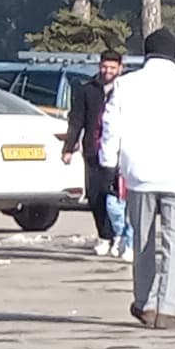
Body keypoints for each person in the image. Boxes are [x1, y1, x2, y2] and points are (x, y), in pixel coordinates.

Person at [99, 31, 175, 329]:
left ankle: (145, 304)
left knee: (142, 241)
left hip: (139, 176)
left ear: (146, 52)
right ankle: (167, 310)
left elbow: (111, 128)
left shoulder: (125, 85)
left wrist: (108, 166)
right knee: (174, 245)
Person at [70, 52, 124, 258]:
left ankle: (120, 235)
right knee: (95, 196)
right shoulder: (87, 90)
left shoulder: (126, 90)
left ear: (120, 68)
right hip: (93, 150)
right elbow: (77, 120)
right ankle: (104, 235)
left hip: (120, 152)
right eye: (104, 67)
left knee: (118, 197)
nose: (108, 71)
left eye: (112, 68)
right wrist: (69, 147)